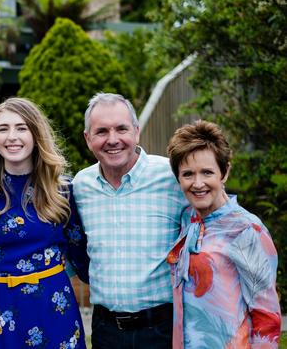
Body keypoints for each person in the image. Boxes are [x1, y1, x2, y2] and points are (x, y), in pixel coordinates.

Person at [0, 97, 90, 349]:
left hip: (53, 305)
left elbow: (83, 257)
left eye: (21, 128)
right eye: (3, 129)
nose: (12, 136)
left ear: (36, 135)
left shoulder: (63, 189)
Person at [72, 92, 188, 348]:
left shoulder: (172, 177)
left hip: (162, 330)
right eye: (101, 131)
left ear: (136, 131)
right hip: (105, 331)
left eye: (121, 129)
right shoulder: (80, 186)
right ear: (87, 138)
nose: (113, 140)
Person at [166, 120, 281, 348]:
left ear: (224, 171)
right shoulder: (187, 218)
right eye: (188, 174)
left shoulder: (247, 230)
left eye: (207, 172)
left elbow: (267, 317)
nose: (198, 183)